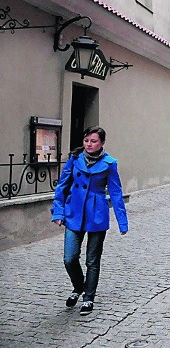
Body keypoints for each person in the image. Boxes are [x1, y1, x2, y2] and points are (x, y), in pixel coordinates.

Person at [50, 126, 128, 316]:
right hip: (74, 211)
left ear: (102, 143)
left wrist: (122, 222)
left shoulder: (109, 164)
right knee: (69, 258)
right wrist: (58, 213)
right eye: (86, 141)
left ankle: (88, 298)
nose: (89, 144)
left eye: (93, 141)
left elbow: (116, 193)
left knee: (92, 260)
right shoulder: (75, 159)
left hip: (97, 214)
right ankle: (78, 287)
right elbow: (62, 186)